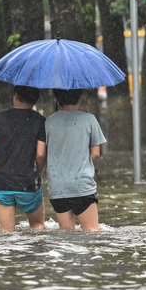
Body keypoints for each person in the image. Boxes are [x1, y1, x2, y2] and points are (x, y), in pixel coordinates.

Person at [0, 85, 46, 232]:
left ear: (15, 95)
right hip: (28, 183)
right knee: (37, 226)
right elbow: (41, 154)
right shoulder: (40, 121)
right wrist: (39, 172)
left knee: (6, 232)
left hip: (3, 182)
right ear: (35, 99)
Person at [45, 88, 106, 231]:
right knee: (91, 231)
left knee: (66, 233)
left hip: (58, 187)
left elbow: (42, 153)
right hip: (82, 185)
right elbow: (96, 153)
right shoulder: (90, 119)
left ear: (56, 99)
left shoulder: (48, 121)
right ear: (80, 98)